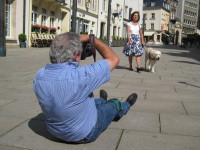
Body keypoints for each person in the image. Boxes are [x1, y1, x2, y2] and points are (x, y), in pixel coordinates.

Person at [33, 32, 138, 144]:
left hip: (54, 132)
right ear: (76, 54)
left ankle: (102, 100)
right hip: (85, 133)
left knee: (91, 100)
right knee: (113, 104)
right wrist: (91, 38)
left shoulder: (40, 75)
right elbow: (114, 59)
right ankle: (125, 105)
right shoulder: (82, 75)